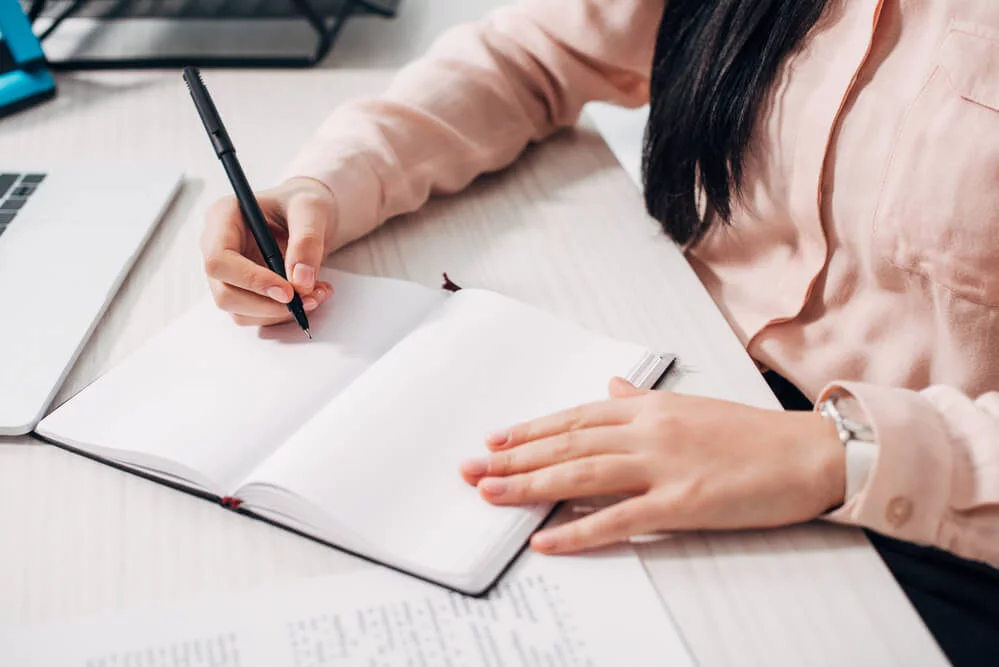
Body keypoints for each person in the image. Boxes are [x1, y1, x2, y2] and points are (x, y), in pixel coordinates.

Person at [201, 1, 998, 663]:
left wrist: (836, 451)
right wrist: (326, 182)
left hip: (934, 505)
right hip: (682, 373)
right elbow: (533, 54)